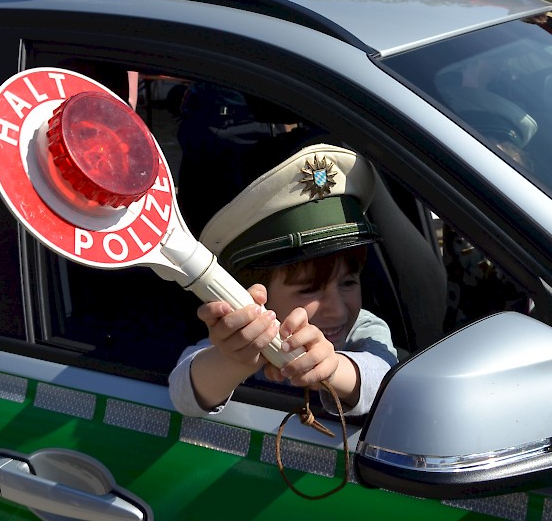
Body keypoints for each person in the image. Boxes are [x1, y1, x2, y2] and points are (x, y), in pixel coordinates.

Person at [169, 144, 398, 418]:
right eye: (309, 289)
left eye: (348, 283)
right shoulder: (239, 339)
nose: (336, 309)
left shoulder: (365, 328)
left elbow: (385, 379)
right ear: (254, 295)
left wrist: (333, 368)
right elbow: (183, 394)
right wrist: (233, 360)